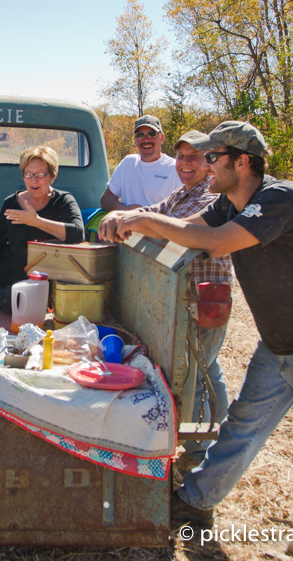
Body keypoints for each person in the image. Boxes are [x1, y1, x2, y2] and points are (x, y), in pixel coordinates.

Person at [99, 121, 293, 559]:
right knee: (242, 426)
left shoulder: (279, 198)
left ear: (242, 162)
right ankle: (196, 501)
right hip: (278, 342)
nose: (205, 165)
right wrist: (131, 220)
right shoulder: (228, 203)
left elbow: (217, 244)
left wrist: (143, 216)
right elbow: (185, 230)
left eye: (213, 158)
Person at [99, 130, 232, 473]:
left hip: (202, 296)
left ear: (209, 163)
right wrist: (124, 215)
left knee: (194, 374)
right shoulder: (181, 193)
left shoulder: (212, 198)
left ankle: (198, 454)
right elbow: (154, 211)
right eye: (183, 157)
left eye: (195, 157)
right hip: (181, 293)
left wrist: (136, 220)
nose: (186, 164)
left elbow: (183, 231)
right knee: (207, 367)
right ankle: (221, 436)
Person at [0, 146, 84, 311]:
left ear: (52, 176)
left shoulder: (64, 201)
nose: (33, 180)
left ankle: (7, 297)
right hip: (9, 267)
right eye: (28, 174)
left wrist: (36, 221)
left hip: (40, 276)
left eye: (40, 174)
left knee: (9, 300)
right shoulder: (11, 203)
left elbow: (78, 234)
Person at [100, 114, 181, 211]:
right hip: (127, 224)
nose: (146, 139)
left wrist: (145, 219)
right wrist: (125, 209)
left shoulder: (175, 168)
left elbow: (183, 210)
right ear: (134, 140)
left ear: (162, 138)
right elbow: (106, 198)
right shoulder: (128, 163)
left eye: (151, 134)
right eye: (140, 135)